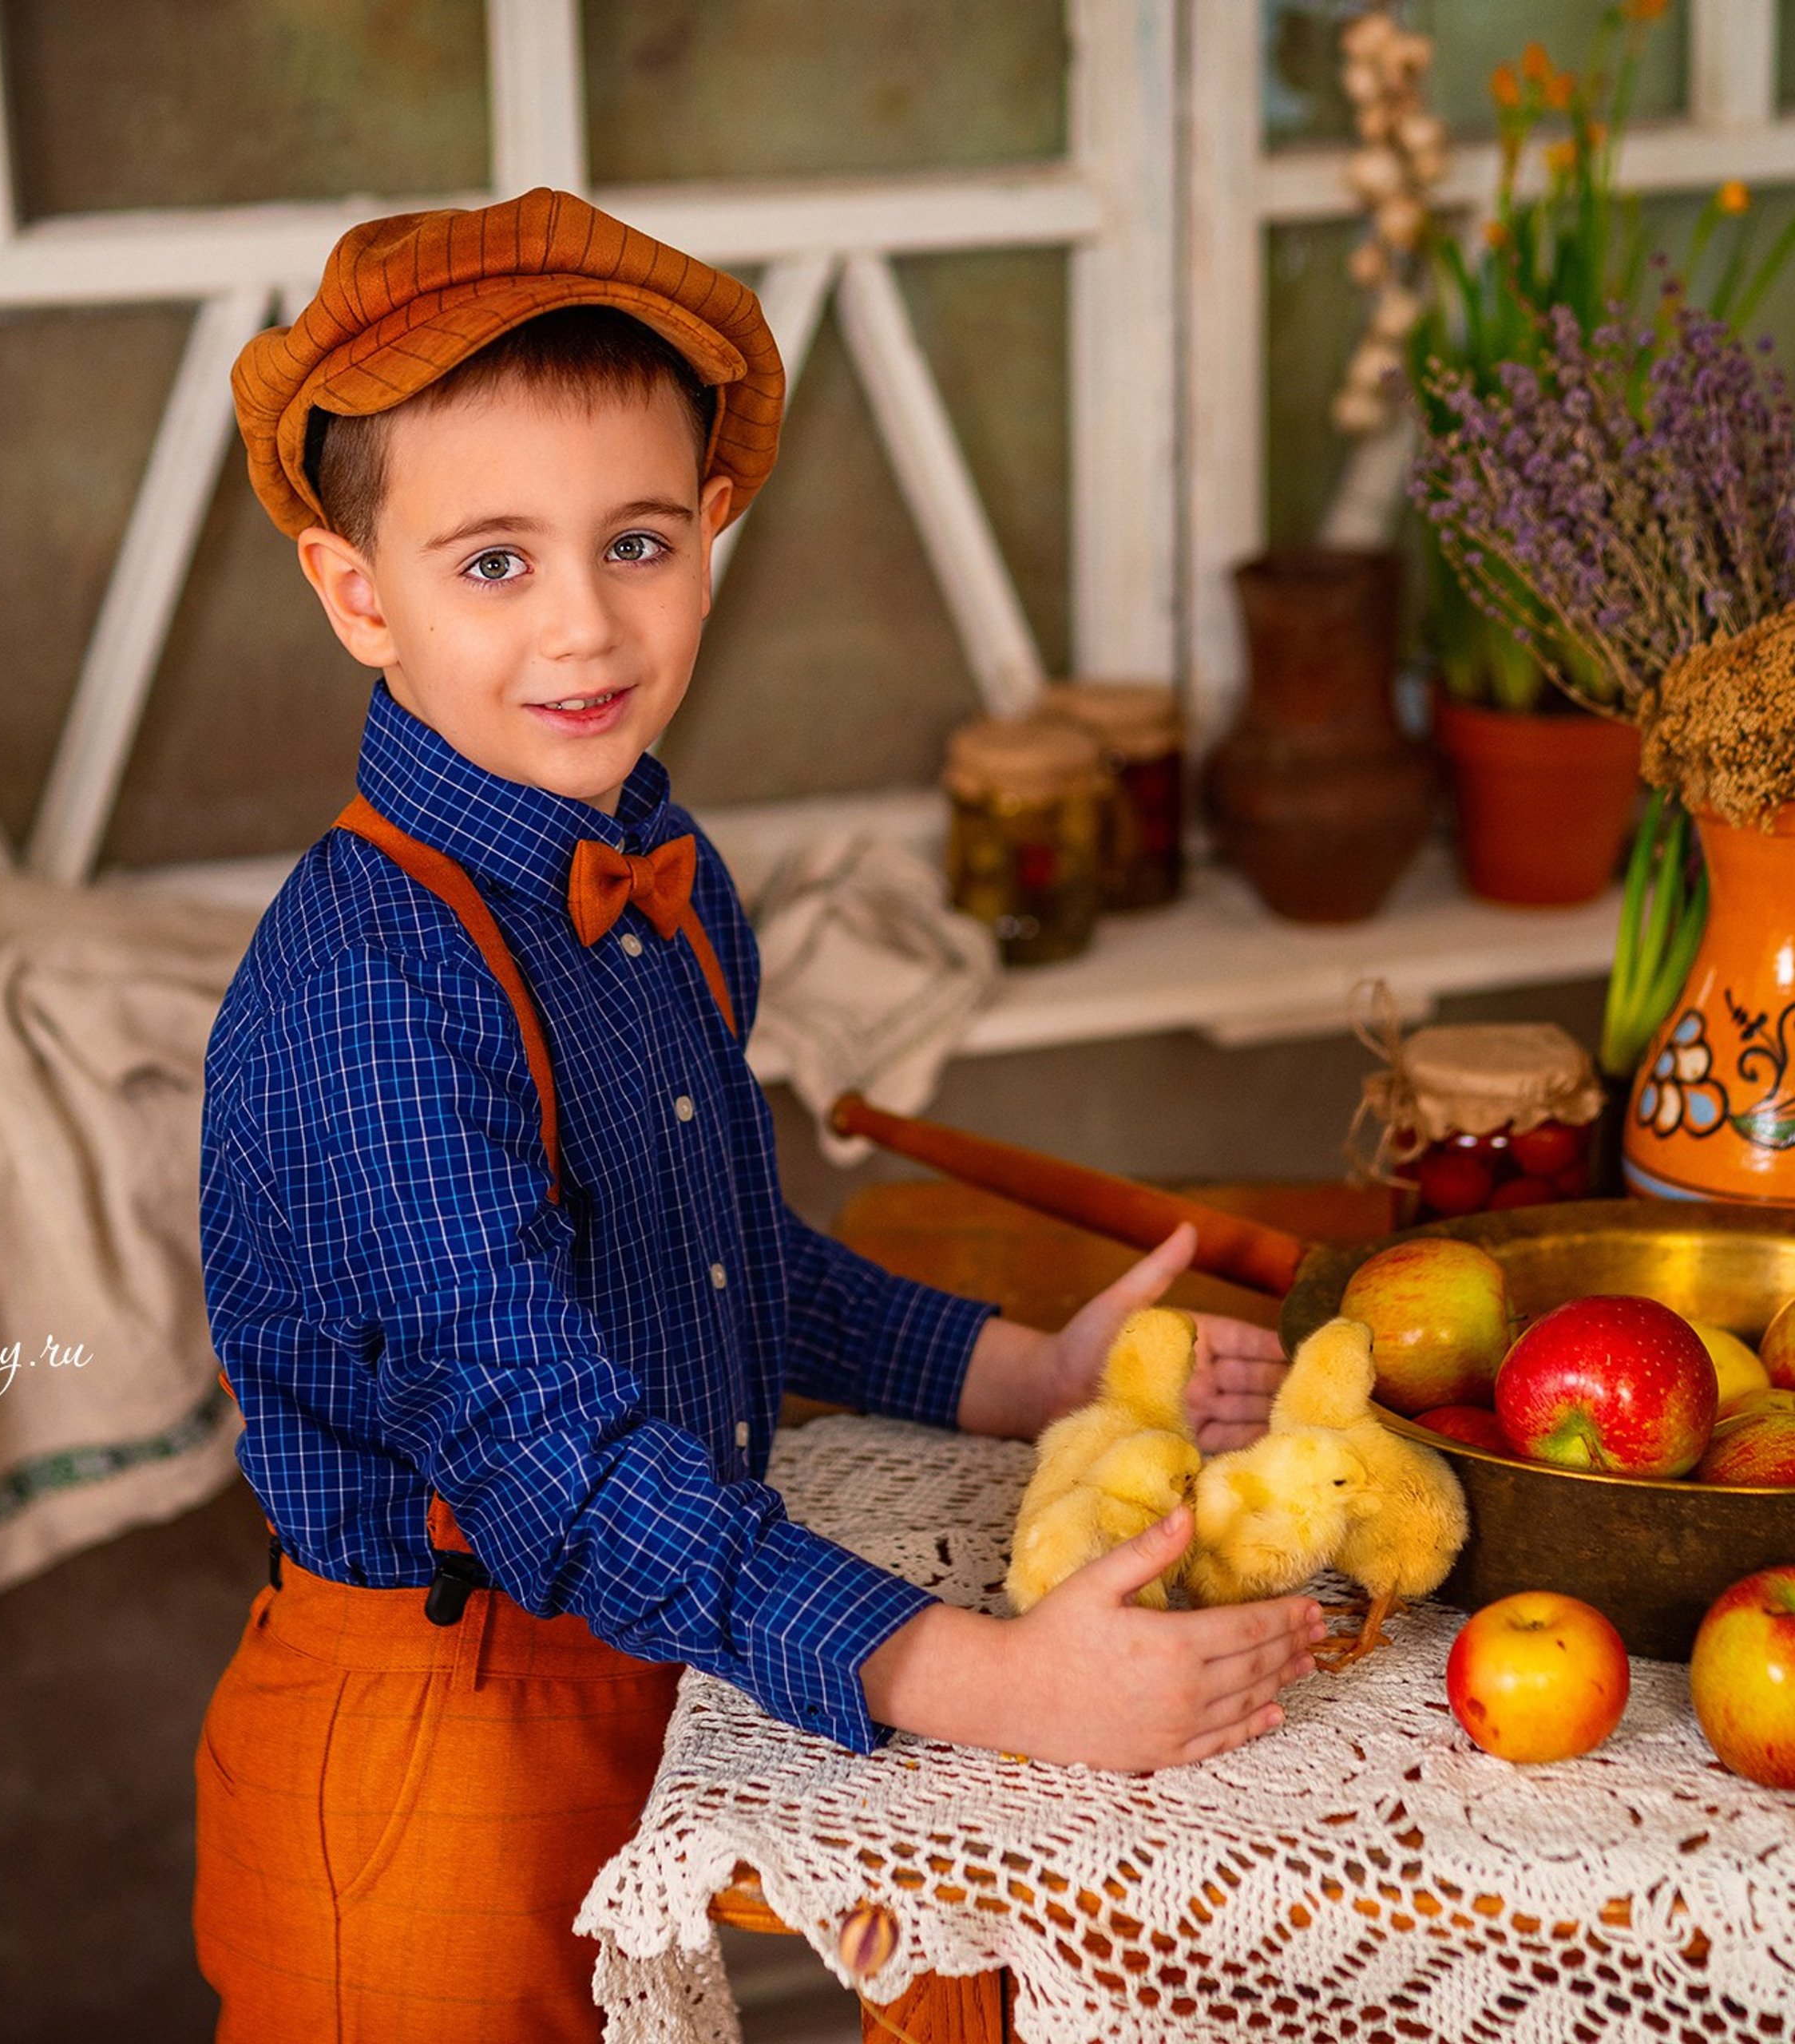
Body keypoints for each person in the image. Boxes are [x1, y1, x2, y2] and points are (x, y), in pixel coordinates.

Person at [192, 187, 1324, 2044]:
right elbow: (553, 1461)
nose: (585, 624)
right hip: (438, 1727)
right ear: (356, 590)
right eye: (494, 561)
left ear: (710, 531)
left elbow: (710, 1258)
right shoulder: (370, 994)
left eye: (635, 540)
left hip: (656, 1642)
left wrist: (1023, 1371)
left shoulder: (659, 872)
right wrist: (993, 1680)